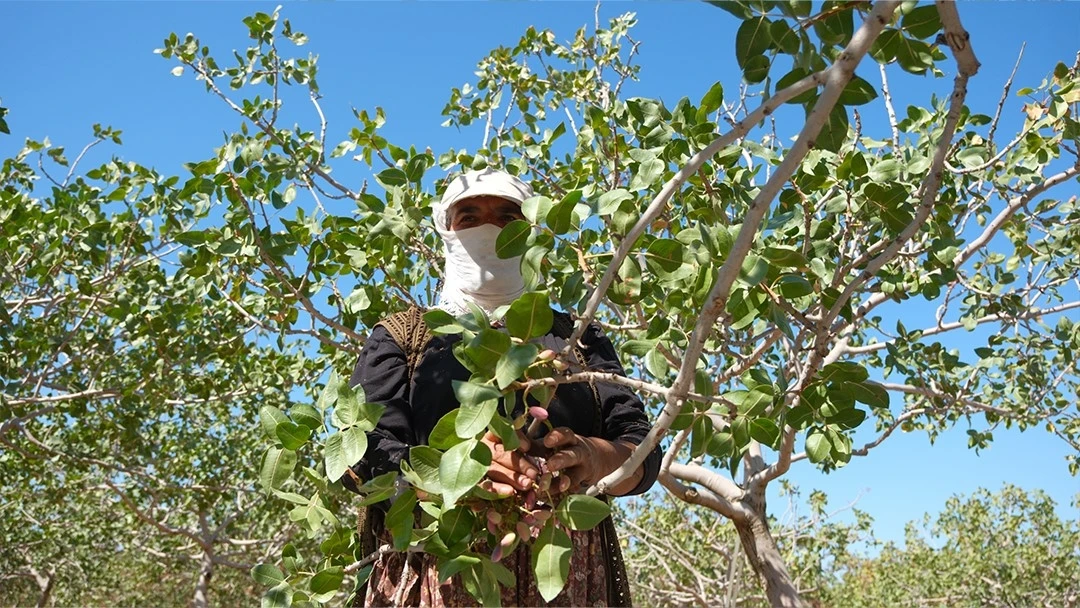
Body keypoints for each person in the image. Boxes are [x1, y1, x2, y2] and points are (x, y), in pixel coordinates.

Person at [345, 168, 661, 606]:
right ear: (447, 231)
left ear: (529, 235)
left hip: (567, 579)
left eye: (508, 218)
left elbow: (642, 450)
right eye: (469, 217)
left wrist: (592, 457)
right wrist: (457, 480)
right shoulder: (404, 335)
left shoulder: (578, 336)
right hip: (436, 568)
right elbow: (364, 454)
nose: (489, 229)